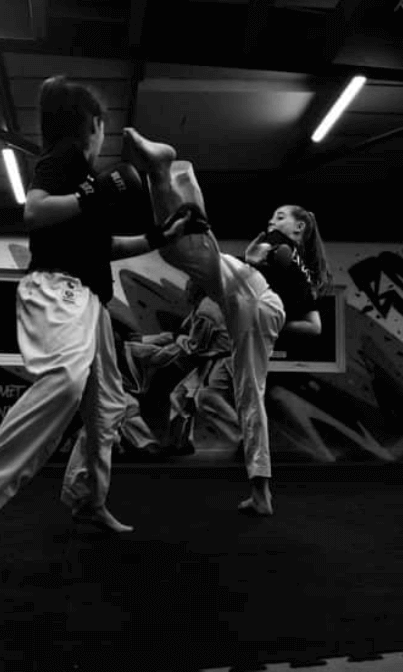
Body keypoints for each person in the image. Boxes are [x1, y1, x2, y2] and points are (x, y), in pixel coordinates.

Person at [0, 76, 193, 576]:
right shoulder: (65, 159)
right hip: (59, 289)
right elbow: (33, 211)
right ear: (93, 126)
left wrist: (157, 236)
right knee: (63, 382)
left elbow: (106, 248)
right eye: (103, 127)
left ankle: (87, 499)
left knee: (107, 409)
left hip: (91, 301)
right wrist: (92, 192)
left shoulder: (87, 183)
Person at [119, 127, 331, 517]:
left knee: (188, 248)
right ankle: (261, 492)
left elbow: (261, 260)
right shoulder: (301, 267)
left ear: (299, 227)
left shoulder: (279, 243)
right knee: (180, 249)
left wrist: (257, 261)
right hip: (258, 309)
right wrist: (266, 326)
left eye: (280, 216)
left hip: (254, 296)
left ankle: (172, 173)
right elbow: (313, 326)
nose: (272, 219)